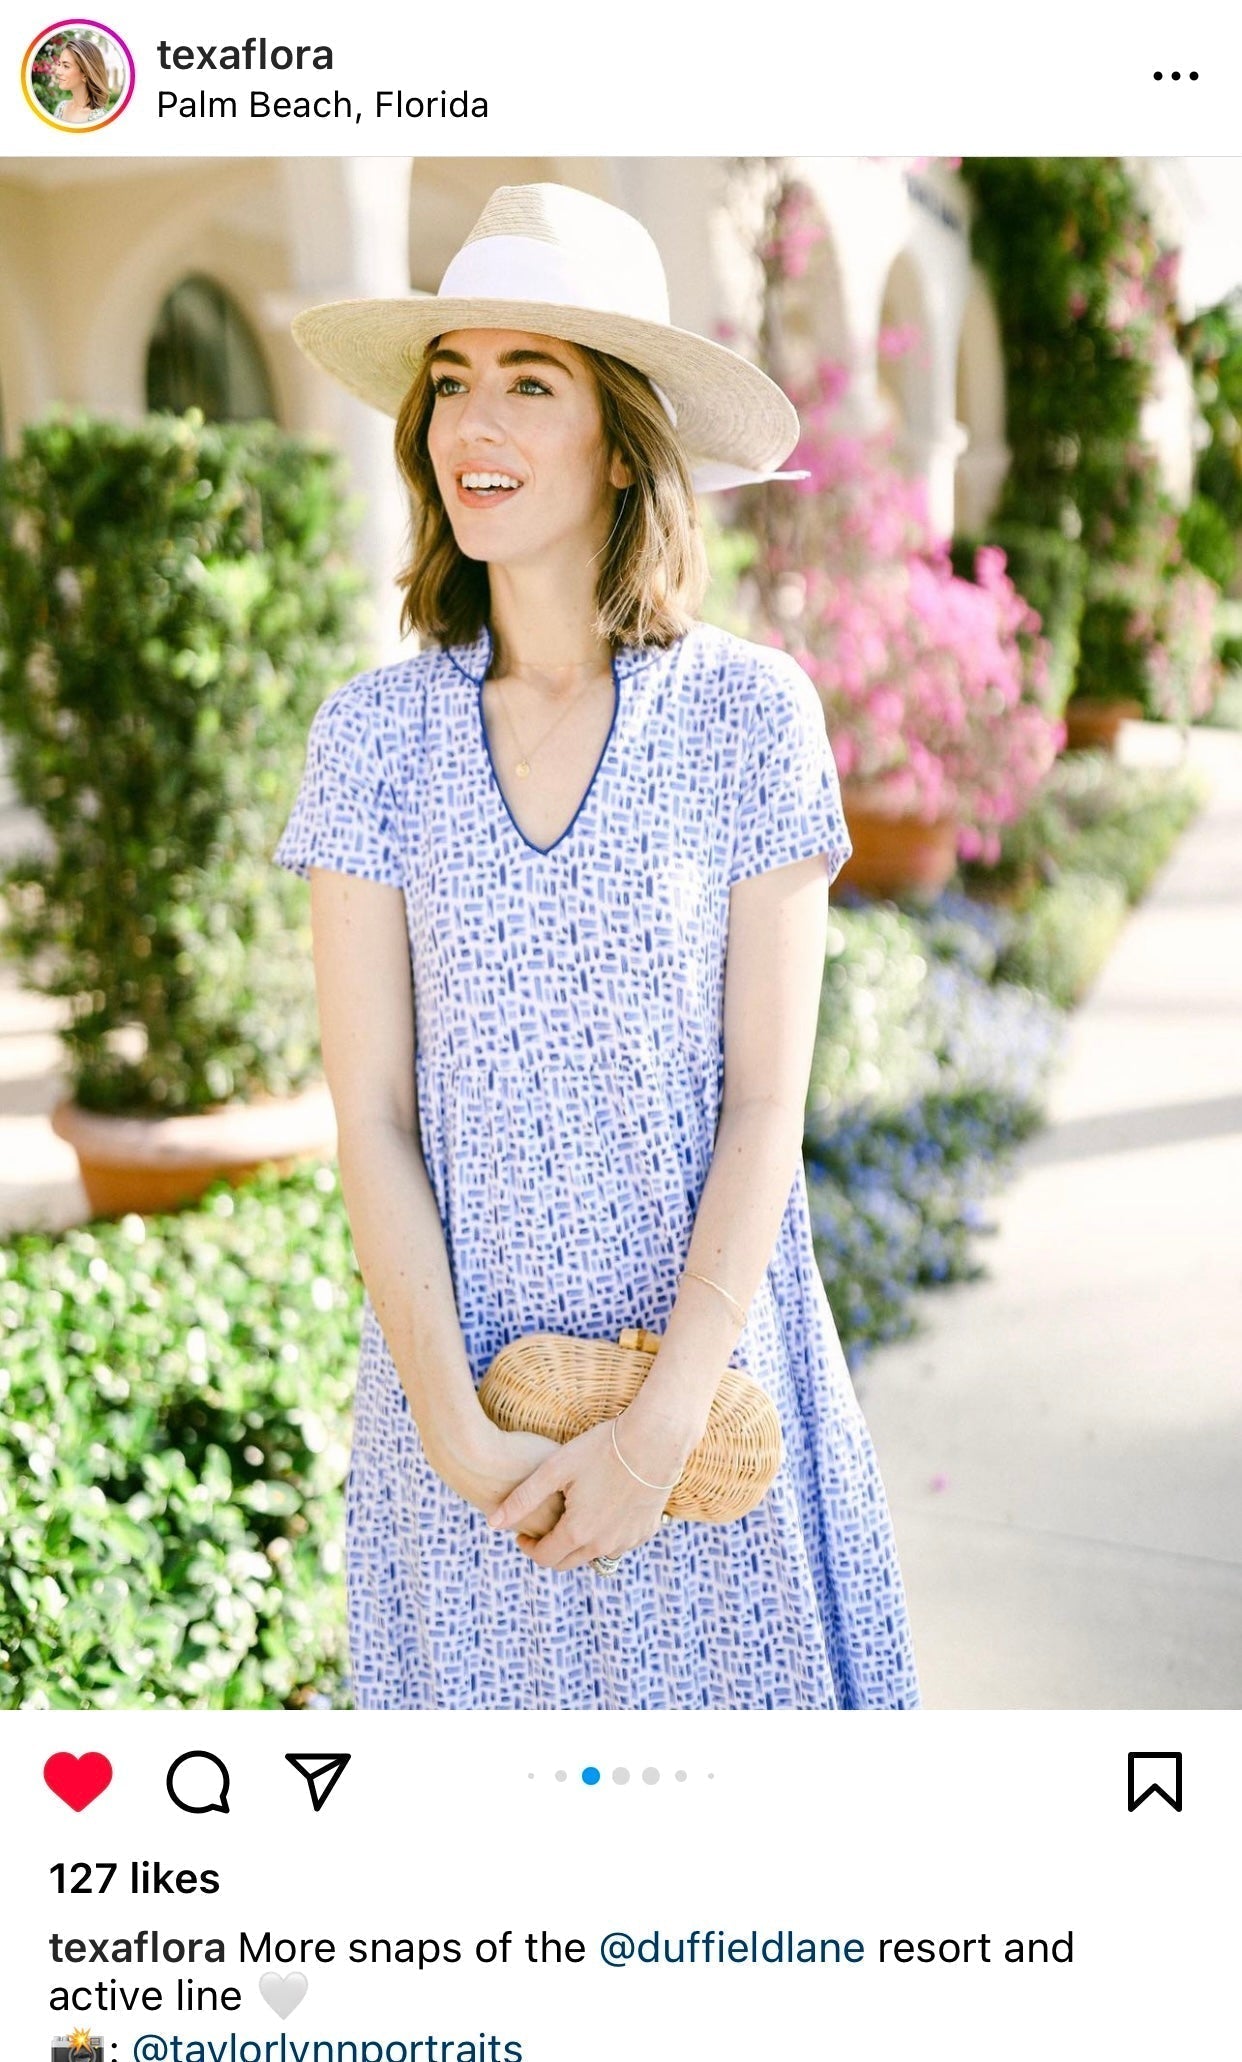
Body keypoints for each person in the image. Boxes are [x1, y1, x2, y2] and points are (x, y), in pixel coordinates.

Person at [273, 181, 921, 1711]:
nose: (468, 424)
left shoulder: (749, 717)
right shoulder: (371, 740)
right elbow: (366, 1110)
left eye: (529, 381)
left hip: (710, 1399)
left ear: (622, 439)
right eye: (449, 382)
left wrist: (655, 1434)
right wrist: (454, 1426)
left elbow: (767, 1102)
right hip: (463, 1427)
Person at [50, 37, 112, 123]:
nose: (58, 71)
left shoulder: (99, 118)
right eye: (59, 64)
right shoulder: (61, 108)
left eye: (66, 66)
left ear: (85, 75)